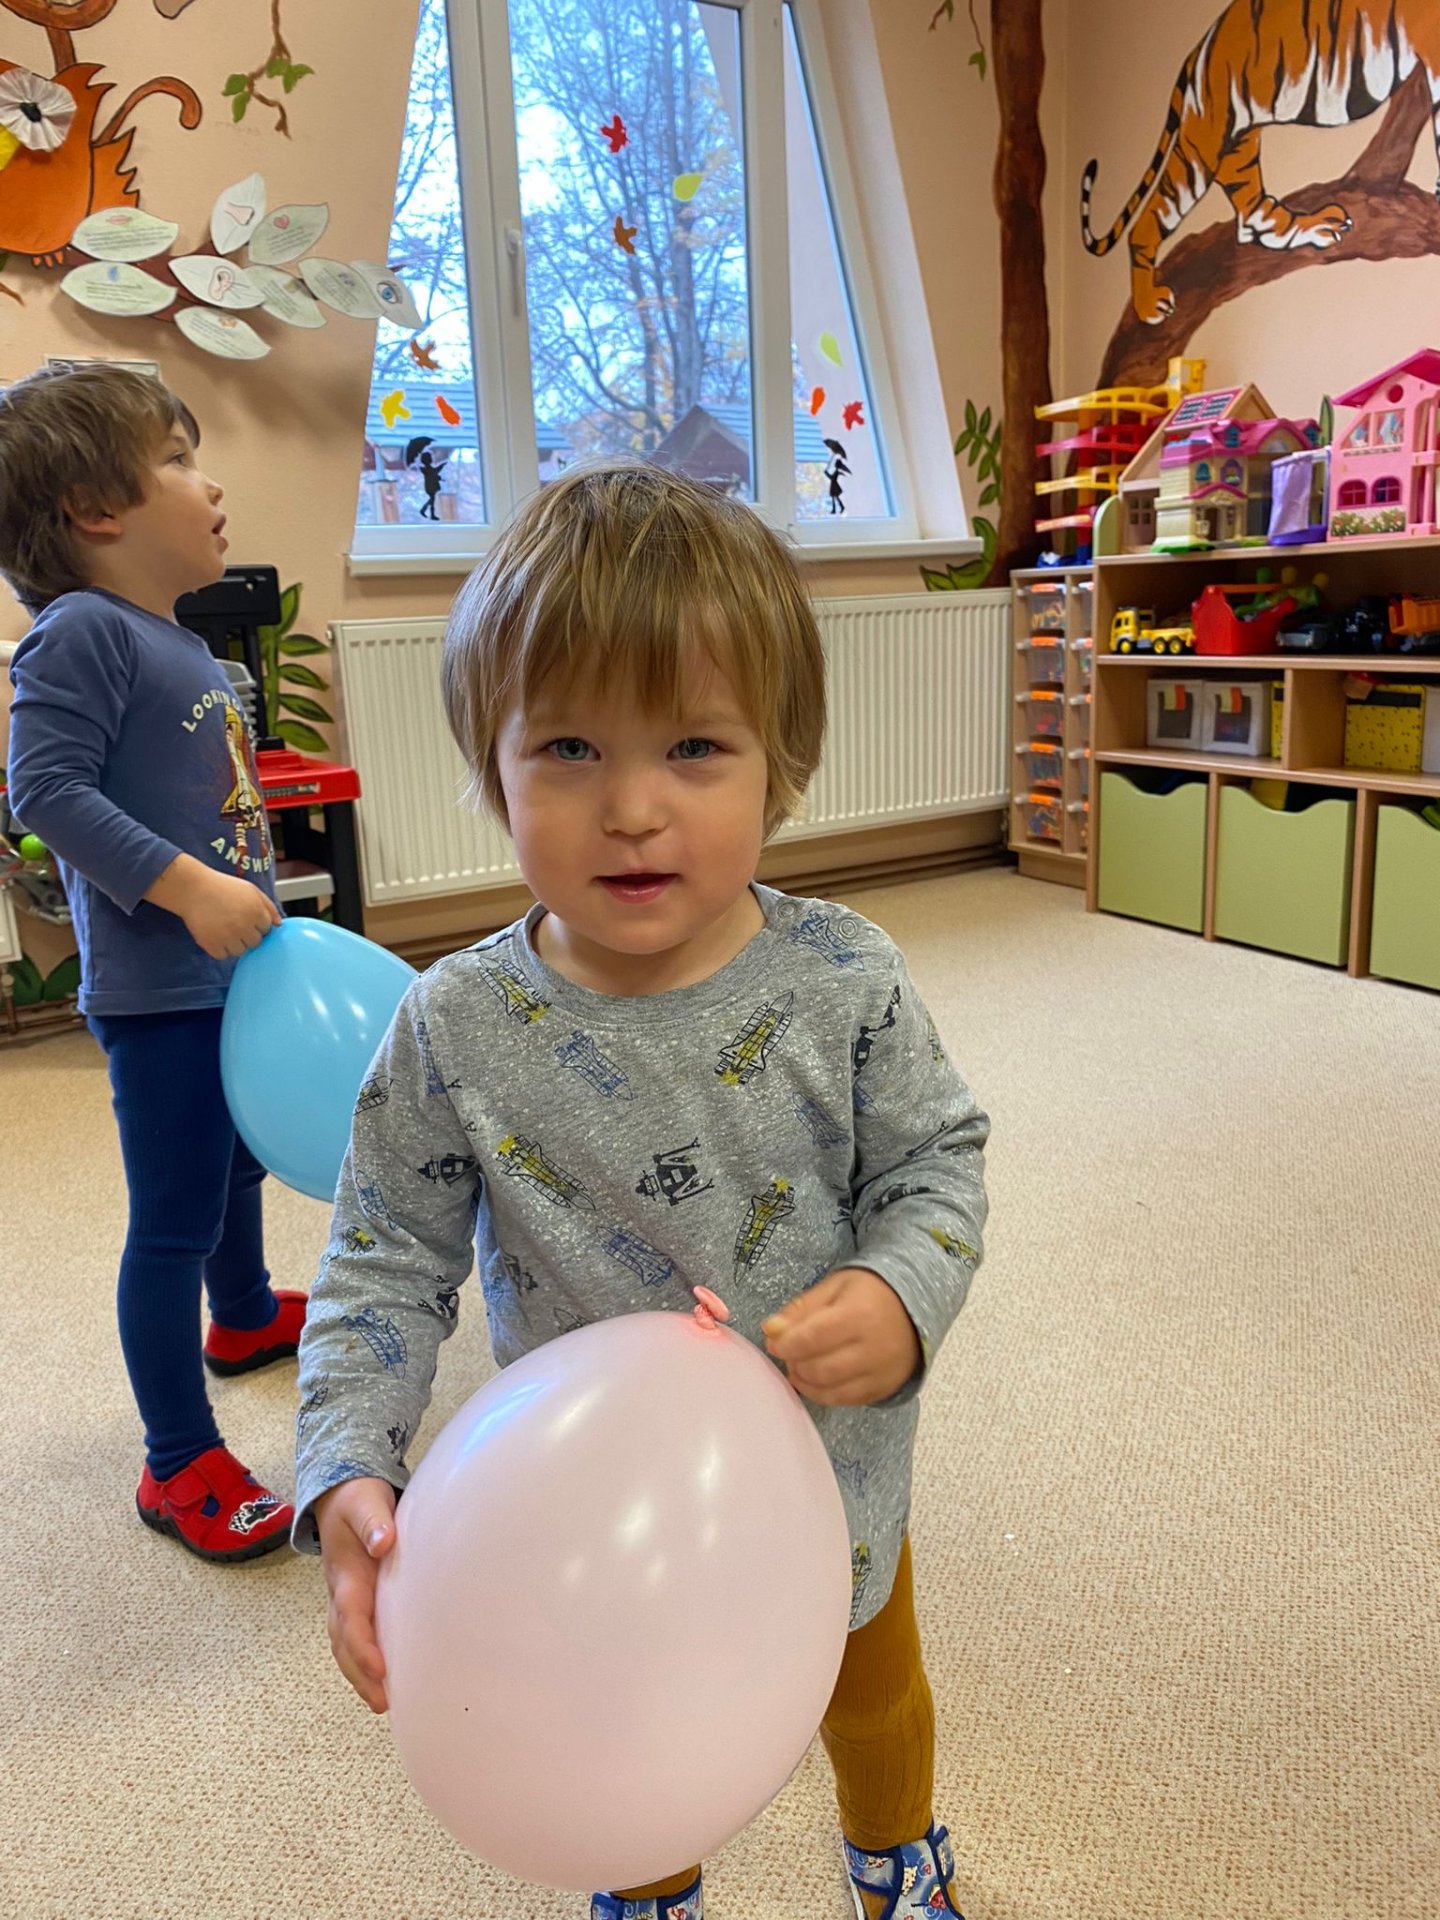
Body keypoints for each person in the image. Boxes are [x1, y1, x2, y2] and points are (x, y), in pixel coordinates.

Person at [294, 462, 990, 1919]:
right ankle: (647, 1877)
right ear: (489, 767)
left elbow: (936, 1158)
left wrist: (902, 1291)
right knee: (619, 1722)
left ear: (781, 766)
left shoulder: (845, 980)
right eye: (566, 747)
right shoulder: (454, 1025)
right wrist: (350, 1457)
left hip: (831, 1473)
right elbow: (381, 1256)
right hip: (587, 1525)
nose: (630, 808)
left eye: (693, 746)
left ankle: (893, 1852)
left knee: (870, 1689)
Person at [2, 364, 305, 1564]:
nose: (210, 482)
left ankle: (243, 1316)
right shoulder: (80, 633)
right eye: (180, 459)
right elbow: (43, 791)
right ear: (94, 509)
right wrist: (186, 889)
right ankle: (176, 1462)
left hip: (229, 978)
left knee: (236, 1166)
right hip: (160, 990)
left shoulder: (174, 639)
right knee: (174, 1215)